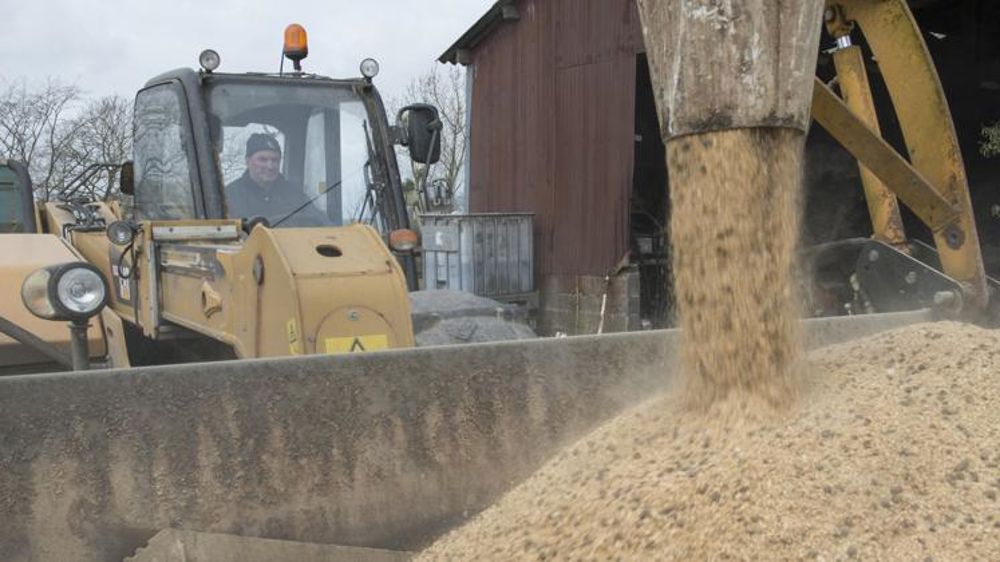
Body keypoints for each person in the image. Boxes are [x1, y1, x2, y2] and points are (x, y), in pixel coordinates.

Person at [225, 133, 329, 227]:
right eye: (263, 160)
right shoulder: (228, 197)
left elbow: (322, 222)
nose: (270, 166)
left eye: (275, 160)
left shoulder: (294, 194)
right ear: (248, 161)